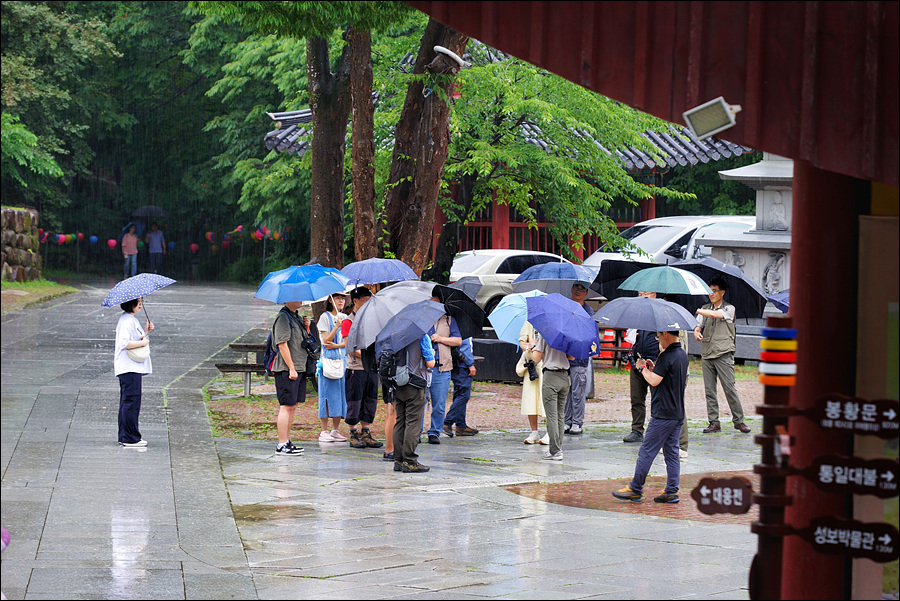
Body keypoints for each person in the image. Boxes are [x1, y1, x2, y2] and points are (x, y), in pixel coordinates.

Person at [612, 330, 689, 503]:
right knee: (671, 453)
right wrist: (653, 368)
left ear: (666, 334)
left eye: (659, 336)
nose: (658, 339)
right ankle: (671, 491)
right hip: (677, 413)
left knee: (647, 451)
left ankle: (635, 488)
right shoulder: (682, 354)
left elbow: (653, 381)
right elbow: (667, 377)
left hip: (663, 414)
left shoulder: (667, 355)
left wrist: (641, 368)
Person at [624, 292, 690, 459]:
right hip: (640, 360)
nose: (642, 295)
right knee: (636, 399)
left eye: (646, 292)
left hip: (660, 363)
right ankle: (637, 430)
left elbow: (675, 342)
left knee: (667, 403)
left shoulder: (665, 313)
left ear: (654, 293)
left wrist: (660, 361)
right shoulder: (640, 313)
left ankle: (679, 443)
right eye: (640, 293)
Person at [694, 277, 751, 434]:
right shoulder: (706, 308)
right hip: (707, 353)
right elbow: (697, 326)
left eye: (714, 291)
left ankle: (739, 421)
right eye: (709, 291)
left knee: (729, 388)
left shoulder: (729, 309)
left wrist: (698, 310)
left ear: (722, 292)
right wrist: (697, 331)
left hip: (723, 352)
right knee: (709, 390)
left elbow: (715, 315)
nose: (711, 294)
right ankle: (714, 422)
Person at [344, 287, 383, 449]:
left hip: (371, 368)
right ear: (355, 301)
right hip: (356, 367)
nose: (368, 304)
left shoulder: (372, 320)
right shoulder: (348, 321)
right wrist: (369, 358)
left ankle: (366, 431)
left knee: (370, 400)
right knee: (355, 400)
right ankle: (353, 433)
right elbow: (349, 346)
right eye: (365, 300)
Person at [271, 301, 311, 455]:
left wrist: (306, 327)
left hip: (299, 367)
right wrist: (291, 368)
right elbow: (282, 344)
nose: (300, 300)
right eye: (297, 296)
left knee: (292, 405)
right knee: (286, 405)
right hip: (287, 369)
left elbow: (302, 342)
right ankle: (281, 444)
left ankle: (287, 441)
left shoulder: (296, 317)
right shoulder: (283, 317)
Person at [393, 334, 436, 473]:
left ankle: (398, 460)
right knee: (413, 422)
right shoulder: (422, 336)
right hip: (415, 383)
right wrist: (432, 354)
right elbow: (430, 363)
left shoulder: (393, 335)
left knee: (400, 421)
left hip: (397, 382)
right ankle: (410, 460)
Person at [114, 297, 154, 447]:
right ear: (130, 303)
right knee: (131, 401)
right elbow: (124, 343)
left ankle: (125, 435)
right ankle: (130, 437)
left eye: (142, 302)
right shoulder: (126, 321)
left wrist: (145, 331)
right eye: (139, 302)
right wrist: (143, 342)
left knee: (128, 401)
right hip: (129, 367)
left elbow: (135, 338)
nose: (140, 305)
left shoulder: (130, 319)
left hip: (131, 367)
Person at [530, 329, 572, 460]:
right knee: (560, 415)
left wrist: (533, 347)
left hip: (551, 375)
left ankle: (554, 451)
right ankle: (558, 448)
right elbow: (572, 356)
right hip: (565, 376)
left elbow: (536, 358)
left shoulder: (545, 333)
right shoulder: (567, 333)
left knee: (552, 416)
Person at [424, 310, 462, 444]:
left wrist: (441, 339)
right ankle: (415, 433)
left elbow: (458, 340)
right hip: (422, 368)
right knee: (419, 403)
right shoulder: (419, 319)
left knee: (439, 404)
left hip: (442, 368)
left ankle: (435, 432)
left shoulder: (448, 320)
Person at [317, 294, 349, 442]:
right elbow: (325, 340)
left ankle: (335, 429)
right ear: (331, 300)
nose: (341, 301)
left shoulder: (345, 317)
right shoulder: (325, 317)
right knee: (325, 395)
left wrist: (337, 345)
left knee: (340, 394)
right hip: (327, 362)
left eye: (343, 298)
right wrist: (336, 326)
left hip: (341, 361)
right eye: (338, 298)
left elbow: (348, 341)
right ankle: (324, 430)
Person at [564, 282, 595, 435]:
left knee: (578, 391)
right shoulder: (565, 307)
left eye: (582, 289)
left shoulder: (588, 312)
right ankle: (566, 421)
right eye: (576, 287)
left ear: (586, 293)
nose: (578, 291)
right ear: (571, 288)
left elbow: (587, 335)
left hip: (579, 358)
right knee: (565, 392)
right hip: (563, 357)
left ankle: (577, 422)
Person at [518, 320, 548, 445]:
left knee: (546, 399)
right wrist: (528, 346)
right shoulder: (529, 321)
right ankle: (534, 431)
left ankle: (549, 431)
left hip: (545, 362)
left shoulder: (550, 322)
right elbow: (522, 342)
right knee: (530, 398)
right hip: (531, 364)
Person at [443, 337, 478, 437]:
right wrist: (470, 364)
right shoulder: (465, 329)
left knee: (459, 393)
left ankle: (461, 425)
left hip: (456, 363)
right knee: (463, 395)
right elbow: (465, 348)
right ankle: (447, 422)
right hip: (462, 365)